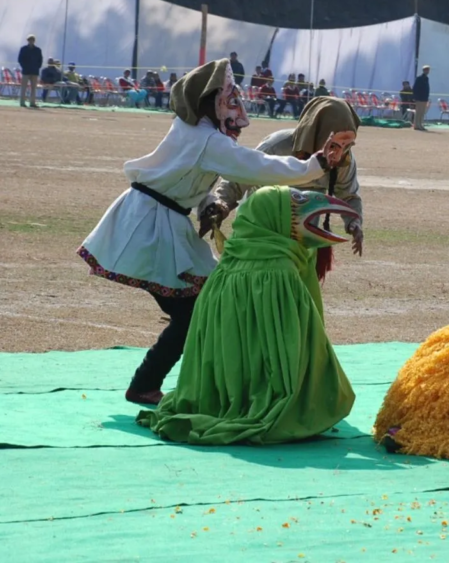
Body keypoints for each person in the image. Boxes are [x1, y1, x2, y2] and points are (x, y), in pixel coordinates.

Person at [76, 58, 344, 406]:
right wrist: (314, 165)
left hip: (160, 221)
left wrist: (209, 208)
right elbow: (256, 166)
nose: (236, 102)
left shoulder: (192, 130)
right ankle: (151, 384)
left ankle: (173, 382)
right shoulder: (208, 140)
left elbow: (195, 180)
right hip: (152, 226)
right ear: (213, 99)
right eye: (229, 95)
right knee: (193, 312)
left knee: (199, 308)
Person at [136, 186, 359, 445]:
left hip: (218, 389)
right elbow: (291, 339)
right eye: (293, 206)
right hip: (266, 390)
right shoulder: (279, 270)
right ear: (273, 217)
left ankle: (232, 397)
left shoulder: (223, 268)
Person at [200, 95, 365, 282]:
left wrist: (354, 222)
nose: (340, 152)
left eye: (347, 145)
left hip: (303, 239)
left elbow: (348, 195)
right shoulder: (277, 146)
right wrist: (221, 204)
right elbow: (238, 179)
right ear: (318, 133)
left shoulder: (344, 161)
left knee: (297, 288)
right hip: (262, 232)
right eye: (335, 144)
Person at [18, 34, 42, 108]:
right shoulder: (23, 49)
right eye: (29, 40)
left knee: (33, 88)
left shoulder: (38, 50)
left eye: (32, 40)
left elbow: (40, 60)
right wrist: (24, 66)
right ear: (28, 40)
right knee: (24, 87)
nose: (31, 41)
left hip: (34, 71)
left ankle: (32, 103)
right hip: (26, 71)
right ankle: (22, 102)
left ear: (34, 41)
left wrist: (37, 67)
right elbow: (20, 59)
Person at [412, 65, 430, 131]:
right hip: (419, 98)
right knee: (418, 112)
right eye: (426, 69)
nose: (427, 71)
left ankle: (420, 124)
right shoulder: (419, 78)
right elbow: (415, 88)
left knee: (422, 112)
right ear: (423, 70)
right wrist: (415, 97)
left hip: (424, 98)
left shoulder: (427, 79)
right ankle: (416, 125)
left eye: (428, 70)